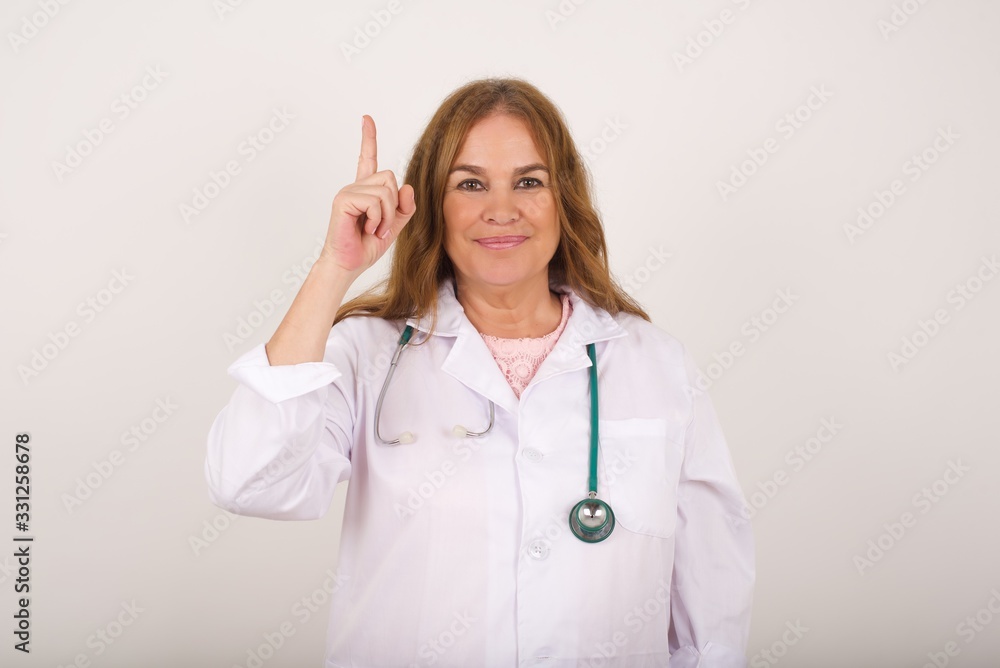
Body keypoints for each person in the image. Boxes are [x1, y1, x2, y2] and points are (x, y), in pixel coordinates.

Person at [204, 77, 754, 667]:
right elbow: (249, 482)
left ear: (563, 199)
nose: (501, 210)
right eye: (470, 183)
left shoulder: (656, 363)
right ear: (433, 207)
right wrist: (334, 267)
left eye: (529, 181)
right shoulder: (367, 354)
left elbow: (712, 599)